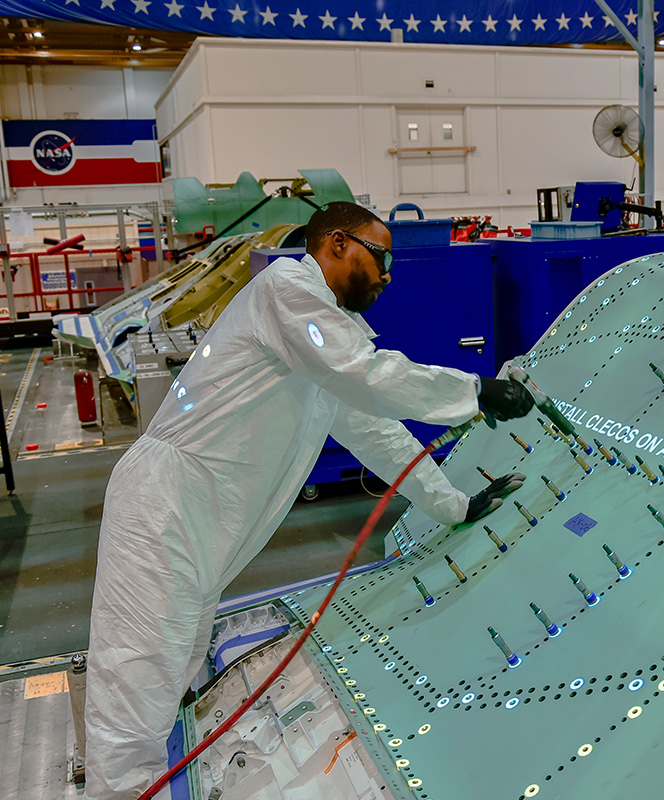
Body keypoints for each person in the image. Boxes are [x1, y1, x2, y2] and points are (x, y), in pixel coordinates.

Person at [83, 202, 534, 799]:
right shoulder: (287, 289)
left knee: (172, 678)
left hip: (197, 521)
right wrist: (474, 391)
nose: (388, 275)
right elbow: (366, 373)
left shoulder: (316, 344)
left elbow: (378, 432)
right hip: (163, 509)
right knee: (134, 698)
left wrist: (452, 504)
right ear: (339, 245)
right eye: (382, 257)